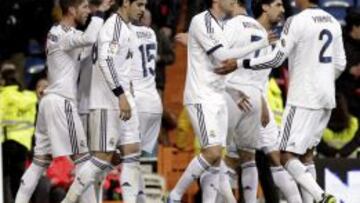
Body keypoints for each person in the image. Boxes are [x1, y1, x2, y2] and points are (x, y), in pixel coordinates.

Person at [236, 0, 346, 201]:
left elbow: (276, 59)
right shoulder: (333, 21)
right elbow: (340, 64)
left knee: (286, 156)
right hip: (326, 97)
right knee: (307, 156)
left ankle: (321, 197)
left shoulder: (296, 21)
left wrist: (241, 62)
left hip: (303, 97)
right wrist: (322, 79)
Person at [168, 0, 277, 202]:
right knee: (213, 153)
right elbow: (223, 56)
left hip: (220, 95)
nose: (234, 1)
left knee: (217, 160)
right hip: (201, 96)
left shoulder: (223, 27)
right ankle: (174, 195)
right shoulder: (202, 20)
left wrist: (233, 91)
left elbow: (220, 67)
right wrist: (261, 43)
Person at [15, 0, 112, 202]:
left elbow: (87, 47)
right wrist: (100, 12)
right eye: (84, 7)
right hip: (62, 102)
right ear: (71, 10)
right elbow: (89, 37)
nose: (88, 11)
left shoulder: (64, 34)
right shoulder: (61, 33)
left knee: (40, 161)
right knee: (84, 161)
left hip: (49, 102)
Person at [219, 0, 303, 202]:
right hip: (236, 99)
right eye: (278, 5)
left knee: (275, 157)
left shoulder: (270, 39)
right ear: (265, 7)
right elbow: (226, 66)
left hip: (256, 101)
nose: (283, 11)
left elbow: (260, 78)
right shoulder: (241, 28)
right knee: (231, 160)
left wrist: (262, 102)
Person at [87, 0, 146, 202]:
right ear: (125, 3)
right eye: (139, 4)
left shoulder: (127, 29)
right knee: (100, 160)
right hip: (108, 100)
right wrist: (121, 94)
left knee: (131, 152)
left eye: (145, 5)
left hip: (123, 98)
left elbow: (122, 66)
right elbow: (106, 60)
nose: (142, 9)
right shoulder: (114, 26)